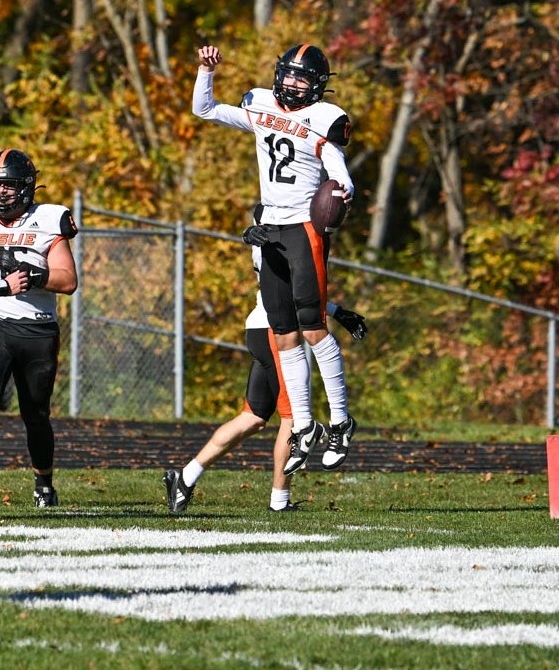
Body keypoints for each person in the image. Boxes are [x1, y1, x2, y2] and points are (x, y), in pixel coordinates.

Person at [192, 43, 358, 477]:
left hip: (304, 227)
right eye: (288, 74)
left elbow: (339, 172)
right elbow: (204, 110)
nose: (292, 83)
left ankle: (340, 420)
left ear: (318, 85)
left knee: (314, 327)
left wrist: (342, 193)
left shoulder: (324, 119)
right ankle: (304, 424)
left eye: (302, 78)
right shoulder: (260, 102)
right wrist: (205, 71)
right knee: (283, 332)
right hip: (271, 230)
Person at [164, 246, 367, 513]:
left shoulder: (274, 233)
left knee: (253, 418)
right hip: (274, 332)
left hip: (262, 327)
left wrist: (336, 311)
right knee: (294, 419)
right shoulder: (282, 233)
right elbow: (297, 294)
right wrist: (336, 311)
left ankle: (185, 478)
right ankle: (279, 501)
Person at [0, 149, 78, 508]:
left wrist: (30, 272)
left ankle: (44, 483)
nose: (1, 193)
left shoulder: (49, 219)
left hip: (37, 329)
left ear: (26, 187)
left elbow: (68, 279)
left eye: (9, 185)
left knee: (35, 413)